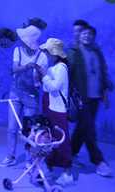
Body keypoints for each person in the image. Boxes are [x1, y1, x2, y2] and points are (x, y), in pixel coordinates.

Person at [68, 26, 113, 178]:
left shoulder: (97, 52)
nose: (87, 36)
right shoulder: (74, 52)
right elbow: (67, 73)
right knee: (89, 130)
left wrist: (105, 92)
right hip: (81, 99)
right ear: (79, 35)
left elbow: (103, 72)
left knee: (83, 128)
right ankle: (98, 161)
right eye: (84, 33)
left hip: (95, 98)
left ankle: (70, 154)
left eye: (90, 34)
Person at [0, 25, 48, 167]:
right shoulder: (18, 51)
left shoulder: (42, 56)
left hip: (31, 96)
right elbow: (14, 69)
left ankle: (29, 159)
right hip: (15, 92)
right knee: (12, 127)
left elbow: (42, 80)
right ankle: (10, 156)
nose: (23, 42)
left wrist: (38, 71)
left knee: (29, 130)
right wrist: (27, 66)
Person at [34, 38, 74, 186]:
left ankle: (67, 173)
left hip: (59, 110)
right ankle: (50, 168)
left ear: (54, 53)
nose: (46, 54)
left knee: (62, 141)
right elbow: (46, 88)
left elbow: (54, 87)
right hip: (52, 109)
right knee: (52, 140)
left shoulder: (62, 68)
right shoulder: (53, 68)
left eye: (47, 51)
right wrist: (42, 75)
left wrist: (44, 75)